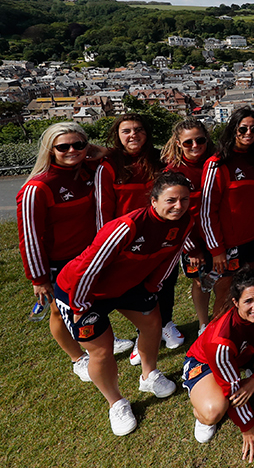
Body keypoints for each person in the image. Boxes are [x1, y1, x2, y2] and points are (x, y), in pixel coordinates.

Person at [53, 172, 193, 435]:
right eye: (171, 200)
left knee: (153, 323)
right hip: (83, 291)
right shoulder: (127, 226)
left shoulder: (185, 222)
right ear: (153, 201)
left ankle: (149, 376)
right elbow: (88, 268)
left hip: (128, 285)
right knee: (102, 351)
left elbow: (171, 258)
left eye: (184, 199)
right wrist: (80, 307)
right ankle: (115, 402)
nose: (179, 206)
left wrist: (152, 288)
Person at [17, 122, 105, 382]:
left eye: (78, 144)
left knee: (90, 303)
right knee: (59, 310)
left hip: (89, 254)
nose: (72, 150)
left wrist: (93, 150)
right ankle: (77, 357)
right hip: (59, 261)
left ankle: (95, 336)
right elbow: (29, 237)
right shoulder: (37, 187)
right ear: (50, 150)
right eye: (63, 146)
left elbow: (116, 153)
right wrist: (39, 278)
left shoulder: (88, 171)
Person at [182, 268, 254, 461]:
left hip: (243, 355)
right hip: (206, 363)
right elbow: (232, 388)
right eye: (248, 301)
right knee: (214, 410)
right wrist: (247, 426)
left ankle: (253, 373)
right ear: (235, 302)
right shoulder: (220, 340)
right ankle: (201, 413)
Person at [95, 113, 165, 358]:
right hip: (125, 237)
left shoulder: (159, 159)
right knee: (133, 288)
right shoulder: (109, 165)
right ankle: (142, 333)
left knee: (162, 281)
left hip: (159, 232)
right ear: (118, 135)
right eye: (127, 131)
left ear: (147, 133)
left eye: (139, 130)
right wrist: (107, 243)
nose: (133, 135)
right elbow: (104, 208)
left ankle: (164, 324)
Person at [201, 107, 254, 322]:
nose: (248, 133)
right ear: (233, 129)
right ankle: (218, 336)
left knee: (251, 291)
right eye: (243, 128)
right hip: (227, 244)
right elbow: (207, 211)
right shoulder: (217, 163)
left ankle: (246, 329)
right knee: (225, 294)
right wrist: (216, 250)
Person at [161, 118, 215, 333]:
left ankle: (221, 317)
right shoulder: (173, 172)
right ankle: (203, 323)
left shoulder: (215, 161)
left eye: (199, 140)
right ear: (177, 143)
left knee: (223, 279)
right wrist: (192, 248)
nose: (194, 146)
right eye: (188, 142)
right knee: (201, 281)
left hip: (219, 233)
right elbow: (175, 215)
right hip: (193, 237)